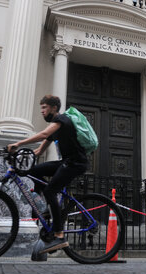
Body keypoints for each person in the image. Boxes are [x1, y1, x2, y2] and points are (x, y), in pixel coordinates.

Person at [7, 95, 87, 253]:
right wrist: (19, 159)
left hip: (75, 163)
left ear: (54, 108)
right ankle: (43, 207)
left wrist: (18, 143)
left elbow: (43, 134)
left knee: (51, 190)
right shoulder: (55, 129)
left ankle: (58, 235)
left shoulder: (62, 120)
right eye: (41, 108)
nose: (42, 111)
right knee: (34, 170)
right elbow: (38, 151)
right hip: (66, 162)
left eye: (44, 108)